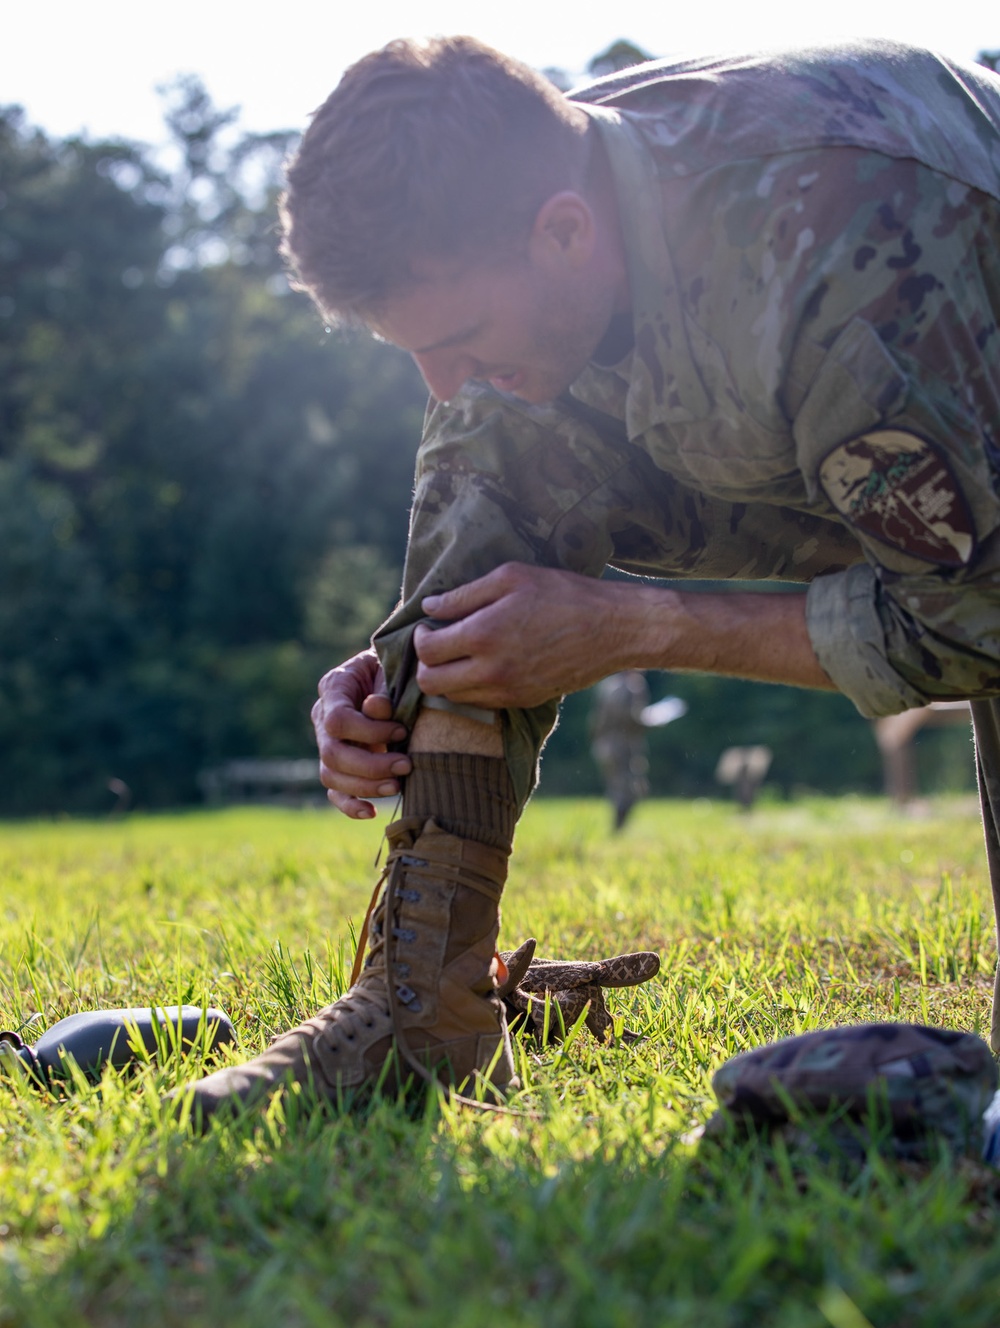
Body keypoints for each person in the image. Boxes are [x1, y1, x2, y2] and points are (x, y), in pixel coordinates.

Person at [178, 36, 1000, 1121]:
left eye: (460, 334)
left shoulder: (843, 243)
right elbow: (483, 442)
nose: (439, 381)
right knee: (492, 443)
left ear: (565, 232)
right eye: (409, 348)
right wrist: (407, 672)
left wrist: (634, 622)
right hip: (804, 417)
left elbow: (978, 616)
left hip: (964, 440)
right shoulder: (530, 200)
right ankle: (424, 1010)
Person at [588, 672, 650, 829]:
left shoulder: (607, 685)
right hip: (624, 745)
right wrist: (650, 721)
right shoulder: (633, 686)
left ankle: (617, 830)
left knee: (615, 786)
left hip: (604, 744)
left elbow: (596, 719)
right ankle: (618, 830)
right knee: (629, 788)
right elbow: (632, 718)